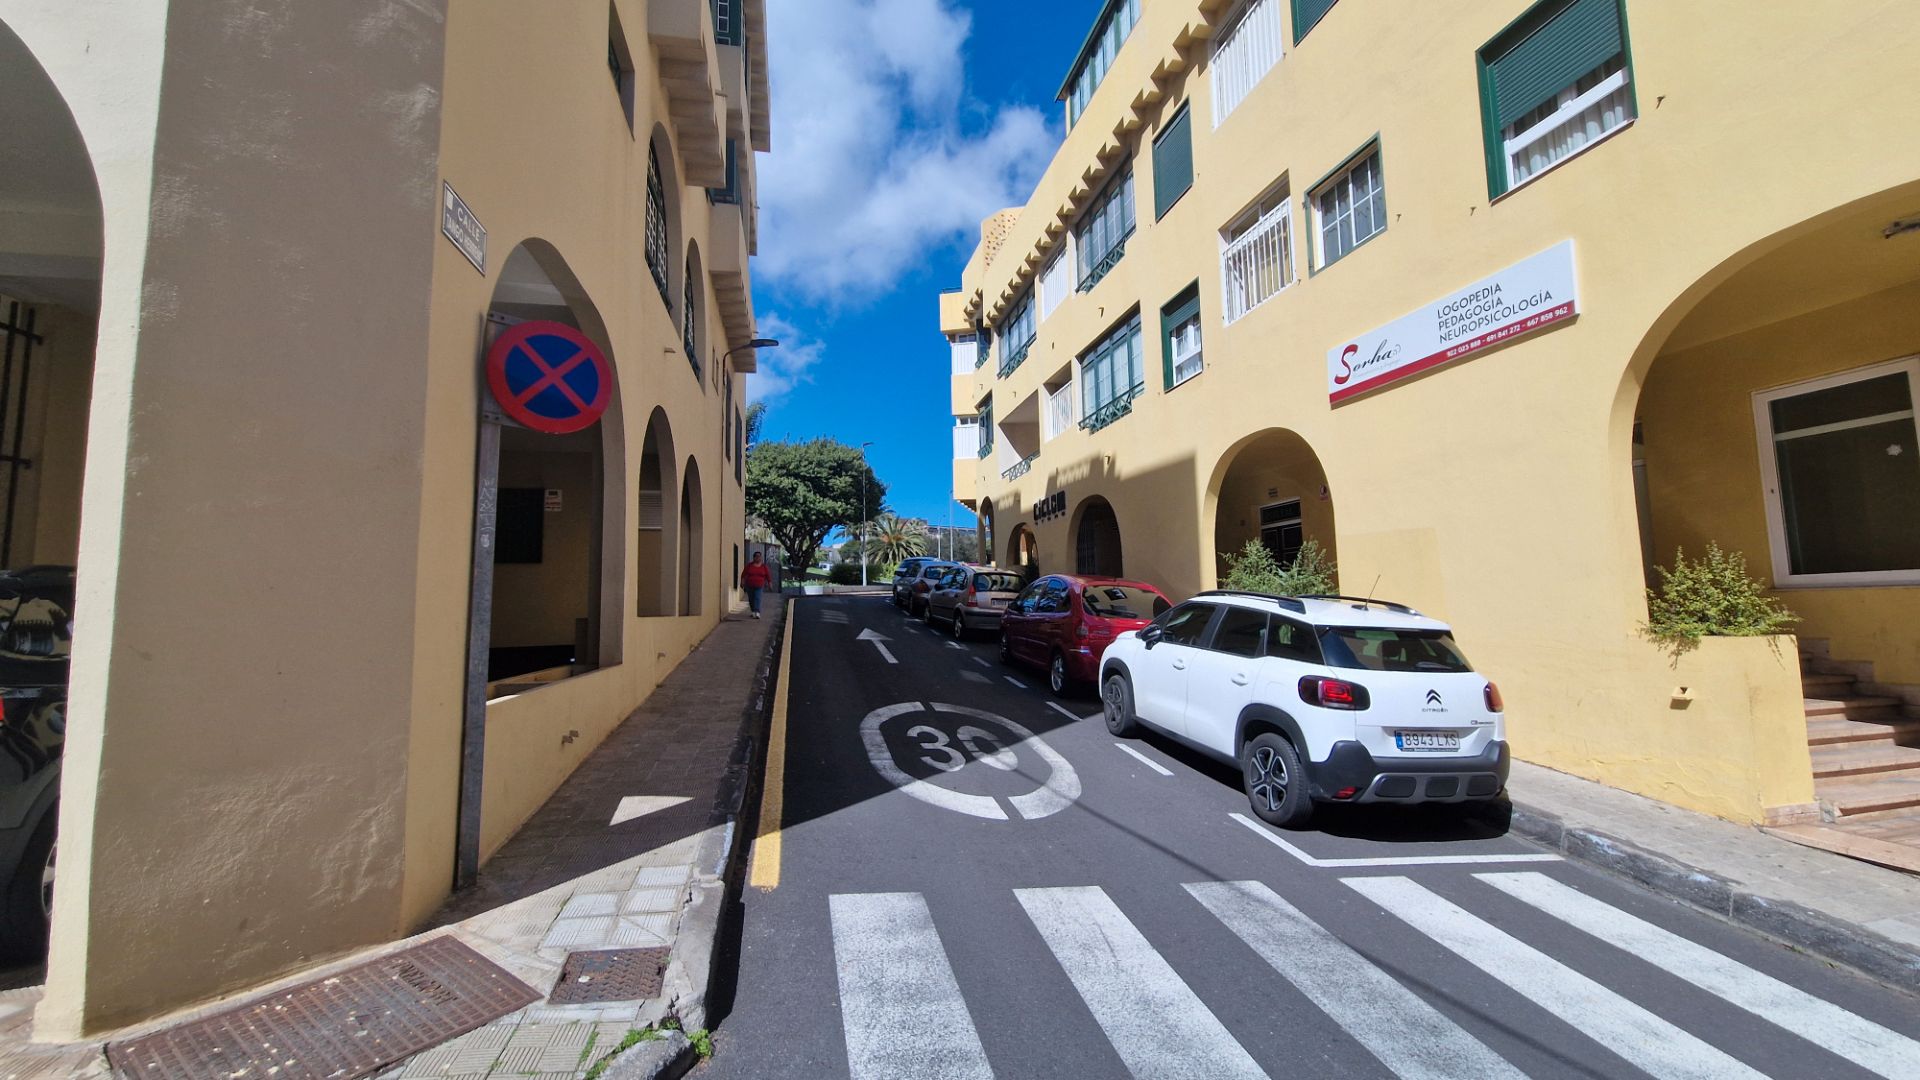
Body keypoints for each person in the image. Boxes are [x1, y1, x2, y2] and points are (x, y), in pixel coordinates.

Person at [740, 550, 772, 619]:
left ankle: (757, 612)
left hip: (759, 585)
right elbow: (743, 574)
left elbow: (768, 576)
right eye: (756, 557)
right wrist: (742, 582)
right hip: (750, 585)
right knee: (751, 599)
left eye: (759, 557)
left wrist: (769, 583)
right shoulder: (749, 566)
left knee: (757, 598)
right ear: (753, 558)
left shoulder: (764, 567)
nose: (758, 558)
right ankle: (753, 611)